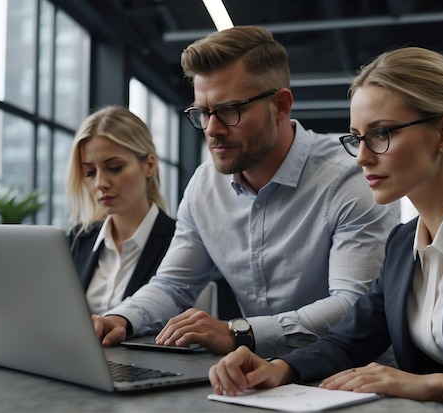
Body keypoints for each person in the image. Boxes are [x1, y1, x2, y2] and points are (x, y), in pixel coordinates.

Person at [208, 46, 443, 411]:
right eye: (356, 138)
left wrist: (427, 386)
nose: (362, 156)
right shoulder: (403, 242)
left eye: (381, 134)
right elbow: (349, 341)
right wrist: (278, 368)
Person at [92, 26, 399, 358]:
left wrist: (243, 333)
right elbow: (173, 285)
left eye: (229, 110)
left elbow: (352, 304)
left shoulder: (349, 178)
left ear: (280, 105)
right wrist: (121, 318)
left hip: (350, 375)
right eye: (203, 113)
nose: (212, 130)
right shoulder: (204, 186)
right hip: (251, 374)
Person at [65, 105, 176, 315]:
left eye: (115, 167)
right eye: (89, 172)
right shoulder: (79, 240)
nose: (100, 183)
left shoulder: (180, 241)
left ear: (149, 166)